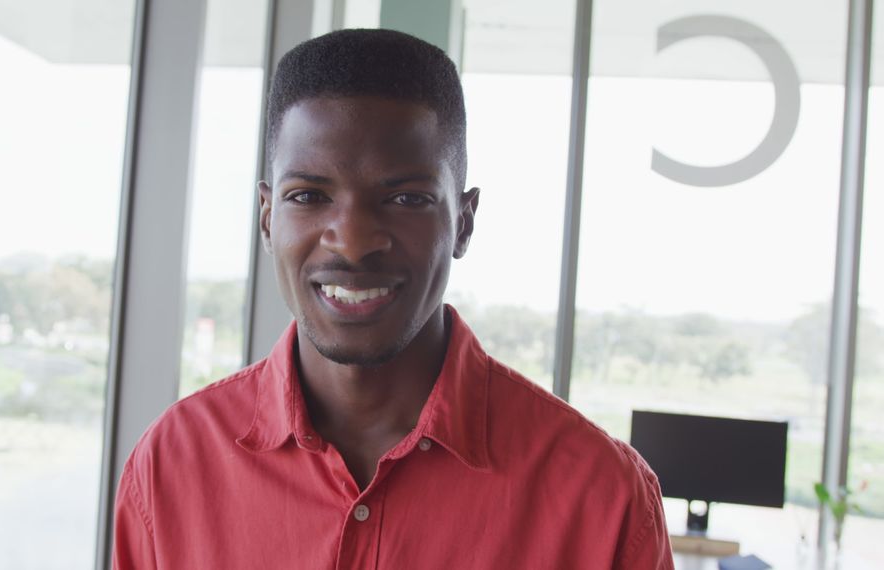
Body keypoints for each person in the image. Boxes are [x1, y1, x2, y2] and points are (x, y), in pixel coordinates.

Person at [112, 29, 674, 569]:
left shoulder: (602, 495)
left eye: (406, 198)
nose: (353, 243)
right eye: (308, 195)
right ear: (266, 217)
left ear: (464, 222)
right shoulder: (170, 466)